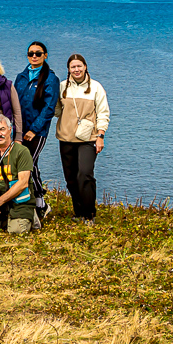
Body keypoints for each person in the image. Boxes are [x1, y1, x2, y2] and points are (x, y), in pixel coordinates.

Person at [54, 53, 110, 224]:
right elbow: (56, 110)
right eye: (73, 67)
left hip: (88, 139)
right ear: (68, 69)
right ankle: (79, 213)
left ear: (85, 67)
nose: (76, 69)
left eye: (79, 66)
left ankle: (89, 214)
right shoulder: (62, 87)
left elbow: (103, 114)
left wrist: (100, 136)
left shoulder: (96, 87)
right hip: (66, 138)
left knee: (84, 175)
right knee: (70, 178)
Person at [13, 41, 60, 223]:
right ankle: (30, 198)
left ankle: (40, 201)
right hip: (18, 129)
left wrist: (34, 129)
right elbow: (15, 102)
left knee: (29, 163)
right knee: (23, 164)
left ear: (45, 55)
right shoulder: (21, 77)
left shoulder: (50, 79)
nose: (34, 56)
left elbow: (49, 108)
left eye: (38, 53)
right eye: (31, 53)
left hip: (37, 132)